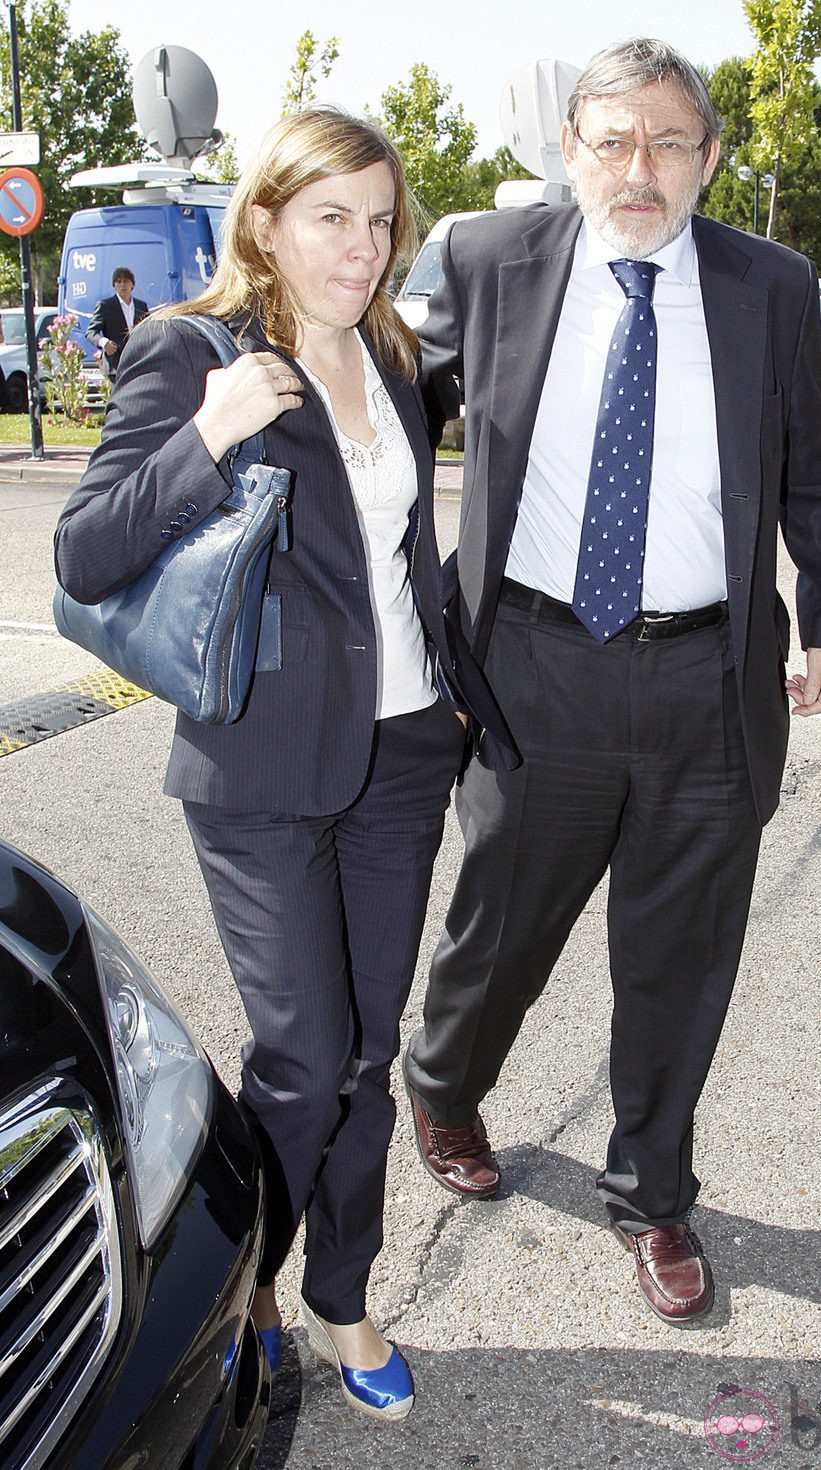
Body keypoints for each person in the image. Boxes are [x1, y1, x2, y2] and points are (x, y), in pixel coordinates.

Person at [55, 106, 513, 1420]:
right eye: (331, 217)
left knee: (368, 1051)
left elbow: (399, 553)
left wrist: (456, 697)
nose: (360, 247)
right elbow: (85, 555)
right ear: (265, 220)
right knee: (305, 1056)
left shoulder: (391, 352)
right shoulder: (194, 351)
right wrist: (206, 433)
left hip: (407, 755)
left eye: (380, 223)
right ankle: (241, 1284)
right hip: (260, 762)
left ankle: (344, 1292)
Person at [402, 37, 821, 1325]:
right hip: (532, 668)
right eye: (612, 140)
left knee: (678, 959)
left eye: (668, 142)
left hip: (708, 680)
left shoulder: (768, 285)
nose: (640, 169)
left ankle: (652, 1197)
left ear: (709, 156)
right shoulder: (493, 262)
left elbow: (814, 467)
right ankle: (442, 1084)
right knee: (501, 928)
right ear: (569, 150)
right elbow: (386, 404)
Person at [86, 266, 149, 378]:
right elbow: (90, 333)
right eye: (118, 281)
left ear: (132, 284)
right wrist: (104, 343)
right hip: (115, 365)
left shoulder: (141, 306)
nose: (122, 284)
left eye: (126, 281)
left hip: (137, 362)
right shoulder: (105, 306)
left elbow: (149, 330)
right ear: (114, 285)